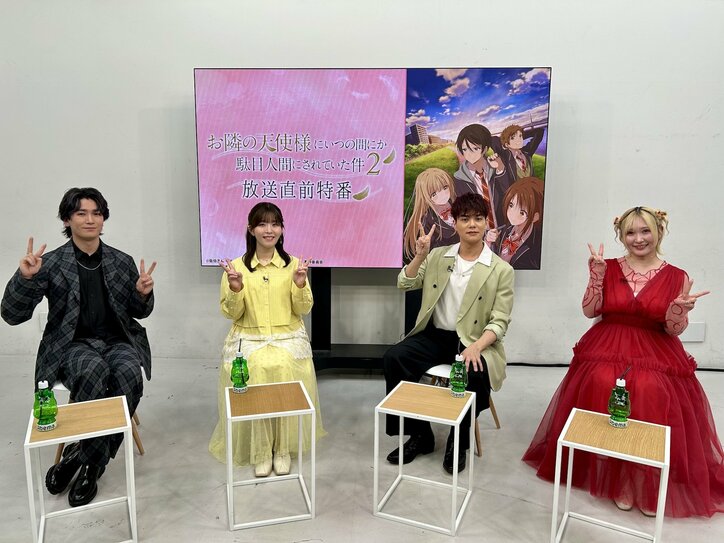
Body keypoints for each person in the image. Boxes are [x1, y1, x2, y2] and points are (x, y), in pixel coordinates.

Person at [522, 206, 724, 518]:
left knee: (650, 388)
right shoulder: (609, 267)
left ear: (659, 232)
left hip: (655, 347)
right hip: (607, 342)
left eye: (645, 231)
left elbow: (673, 330)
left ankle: (644, 478)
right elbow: (590, 311)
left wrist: (679, 311)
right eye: (630, 232)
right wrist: (596, 276)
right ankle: (618, 474)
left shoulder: (677, 276)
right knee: (601, 380)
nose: (638, 239)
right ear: (621, 235)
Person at [1, 187, 156, 507]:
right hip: (73, 344)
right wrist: (25, 279)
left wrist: (142, 294)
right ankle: (92, 462)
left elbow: (139, 312)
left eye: (96, 213)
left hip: (117, 340)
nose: (90, 219)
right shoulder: (51, 263)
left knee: (129, 373)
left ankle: (82, 459)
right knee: (91, 372)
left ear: (103, 219)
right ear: (67, 219)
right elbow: (12, 315)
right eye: (81, 213)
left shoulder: (121, 261)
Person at [384, 192, 514, 473]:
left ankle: (459, 440)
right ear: (455, 223)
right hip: (435, 336)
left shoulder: (501, 269)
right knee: (395, 358)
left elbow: (500, 321)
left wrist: (477, 346)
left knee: (474, 374)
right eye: (465, 218)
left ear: (487, 223)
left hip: (473, 341)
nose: (472, 224)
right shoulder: (437, 256)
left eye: (478, 218)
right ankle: (420, 434)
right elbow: (405, 283)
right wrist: (420, 256)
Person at [208, 202, 325, 477]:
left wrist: (299, 284)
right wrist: (236, 288)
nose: (269, 230)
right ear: (251, 229)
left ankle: (282, 448)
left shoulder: (294, 265)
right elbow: (231, 314)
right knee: (256, 370)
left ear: (282, 229)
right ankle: (261, 449)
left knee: (284, 367)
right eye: (262, 224)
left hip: (286, 336)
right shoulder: (236, 267)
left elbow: (303, 309)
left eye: (275, 224)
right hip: (249, 337)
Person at [452, 123, 511, 229]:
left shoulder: (496, 167)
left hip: (503, 227)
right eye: (465, 149)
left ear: (484, 149)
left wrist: (500, 170)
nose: (469, 154)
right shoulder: (458, 179)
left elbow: (508, 194)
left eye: (475, 149)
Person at [487, 177, 544, 269]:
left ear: (535, 217)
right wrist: (489, 241)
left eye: (522, 212)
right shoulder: (505, 230)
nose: (512, 214)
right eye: (511, 205)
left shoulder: (535, 246)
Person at [403, 168, 458, 262]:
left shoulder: (459, 205)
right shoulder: (426, 221)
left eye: (445, 188)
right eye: (434, 194)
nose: (442, 195)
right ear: (425, 196)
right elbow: (429, 254)